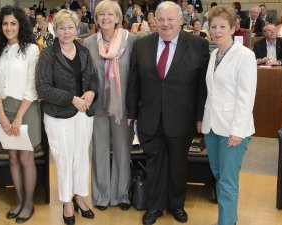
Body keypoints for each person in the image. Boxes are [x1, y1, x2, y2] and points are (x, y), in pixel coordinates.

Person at [126, 1, 209, 224]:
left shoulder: (198, 45)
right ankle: (155, 206)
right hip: (149, 117)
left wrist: (201, 116)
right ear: (154, 21)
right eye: (160, 19)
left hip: (182, 117)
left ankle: (176, 205)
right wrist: (131, 112)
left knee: (178, 164)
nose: (165, 23)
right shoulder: (142, 45)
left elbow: (203, 85)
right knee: (154, 163)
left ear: (181, 20)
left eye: (170, 19)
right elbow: (134, 82)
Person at [36, 9, 97, 225]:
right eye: (61, 27)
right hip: (58, 116)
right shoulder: (47, 55)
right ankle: (66, 202)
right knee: (63, 159)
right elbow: (42, 88)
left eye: (70, 27)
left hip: (84, 113)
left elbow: (92, 79)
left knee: (81, 157)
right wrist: (72, 99)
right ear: (56, 29)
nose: (66, 31)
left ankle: (79, 196)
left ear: (77, 28)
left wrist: (91, 92)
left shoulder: (83, 51)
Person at [202, 5, 257, 225]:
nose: (217, 31)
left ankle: (226, 222)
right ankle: (230, 219)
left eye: (222, 26)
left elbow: (246, 97)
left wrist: (237, 131)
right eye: (213, 26)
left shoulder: (245, 55)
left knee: (227, 182)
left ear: (233, 28)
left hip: (234, 130)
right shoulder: (214, 53)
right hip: (212, 128)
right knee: (220, 177)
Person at [84, 0, 136, 212]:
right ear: (96, 19)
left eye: (109, 14)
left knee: (123, 150)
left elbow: (135, 75)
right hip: (98, 107)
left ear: (117, 17)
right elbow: (86, 75)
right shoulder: (88, 43)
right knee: (100, 151)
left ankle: (122, 194)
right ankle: (102, 195)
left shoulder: (131, 40)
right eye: (100, 15)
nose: (105, 18)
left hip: (122, 107)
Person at [0, 5, 40, 223]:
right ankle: (19, 201)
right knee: (12, 157)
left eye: (13, 23)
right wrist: (1, 113)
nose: (9, 27)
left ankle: (29, 204)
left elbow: (32, 86)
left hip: (26, 109)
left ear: (21, 25)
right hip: (3, 109)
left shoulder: (31, 49)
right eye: (5, 23)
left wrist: (18, 117)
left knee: (26, 158)